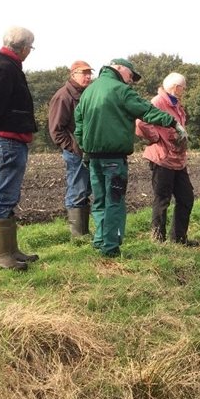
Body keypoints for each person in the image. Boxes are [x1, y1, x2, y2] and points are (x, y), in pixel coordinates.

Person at [74, 58, 188, 258]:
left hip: (93, 158)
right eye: (130, 75)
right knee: (115, 202)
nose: (131, 81)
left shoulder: (89, 91)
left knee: (99, 200)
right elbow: (145, 111)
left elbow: (79, 123)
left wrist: (84, 148)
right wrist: (171, 122)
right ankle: (111, 247)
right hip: (113, 159)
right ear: (119, 69)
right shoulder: (120, 90)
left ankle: (100, 241)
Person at [0, 26, 39, 270]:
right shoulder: (3, 67)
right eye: (30, 48)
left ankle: (11, 250)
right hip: (7, 140)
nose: (29, 52)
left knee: (9, 195)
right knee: (2, 195)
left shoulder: (5, 64)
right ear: (23, 48)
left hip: (11, 140)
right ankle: (0, 254)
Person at [135, 72, 198, 246]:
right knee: (162, 199)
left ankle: (179, 239)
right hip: (162, 158)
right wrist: (156, 137)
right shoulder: (158, 102)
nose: (184, 91)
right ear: (176, 87)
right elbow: (141, 123)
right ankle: (158, 241)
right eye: (183, 88)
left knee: (186, 198)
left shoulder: (176, 104)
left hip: (178, 159)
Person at [48, 60, 95, 238]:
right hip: (76, 153)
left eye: (89, 73)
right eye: (84, 73)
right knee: (77, 190)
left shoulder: (87, 94)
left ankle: (84, 233)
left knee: (86, 189)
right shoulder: (63, 96)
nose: (88, 76)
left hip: (89, 152)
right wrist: (74, 148)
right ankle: (77, 235)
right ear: (73, 74)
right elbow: (56, 130)